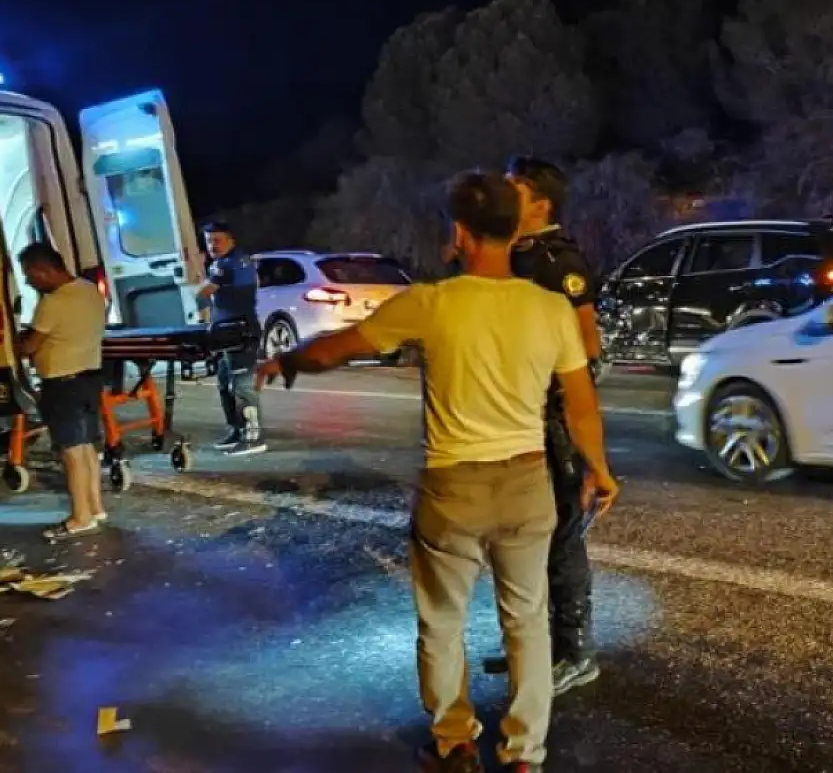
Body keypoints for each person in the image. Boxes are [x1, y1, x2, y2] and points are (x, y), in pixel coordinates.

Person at [255, 171, 620, 773]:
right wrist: (599, 471)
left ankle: (454, 743)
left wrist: (288, 359)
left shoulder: (432, 303)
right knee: (527, 620)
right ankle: (524, 752)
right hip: (529, 483)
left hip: (454, 488)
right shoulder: (551, 308)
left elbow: (342, 346)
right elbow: (580, 404)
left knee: (443, 620)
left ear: (460, 232)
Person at [504, 155, 605, 696]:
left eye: (513, 187)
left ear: (540, 202)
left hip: (550, 418)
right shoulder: (510, 257)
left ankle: (576, 651)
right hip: (514, 415)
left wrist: (579, 435)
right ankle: (537, 642)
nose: (503, 193)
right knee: (524, 537)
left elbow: (587, 344)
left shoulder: (555, 259)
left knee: (562, 539)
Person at [16, 243, 108, 541]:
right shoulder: (89, 290)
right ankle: (95, 508)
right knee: (87, 448)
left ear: (43, 270)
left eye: (29, 275)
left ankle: (79, 516)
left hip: (62, 383)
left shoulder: (52, 303)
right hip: (90, 377)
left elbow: (30, 346)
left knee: (71, 452)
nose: (29, 282)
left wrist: (13, 340)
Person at [197, 220, 265, 455]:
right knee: (226, 383)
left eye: (217, 240)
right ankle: (236, 430)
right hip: (228, 331)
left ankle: (252, 437)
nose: (212, 245)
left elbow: (202, 293)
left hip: (239, 331)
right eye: (208, 241)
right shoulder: (237, 260)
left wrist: (195, 305)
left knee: (242, 384)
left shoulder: (225, 265)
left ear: (230, 240)